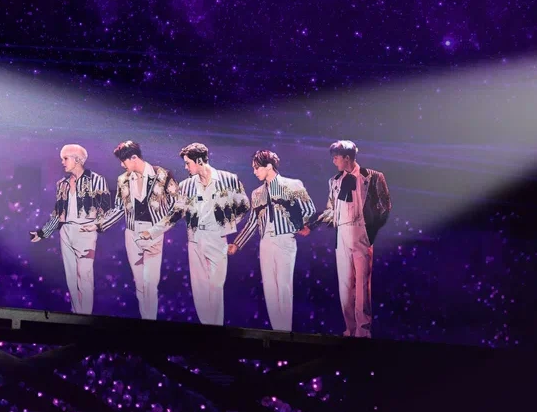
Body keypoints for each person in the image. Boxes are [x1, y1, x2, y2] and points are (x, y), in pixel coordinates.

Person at [138, 143, 250, 326]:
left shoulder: (229, 179)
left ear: (199, 161)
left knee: (216, 288)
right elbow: (174, 214)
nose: (185, 167)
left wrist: (227, 224)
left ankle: (216, 331)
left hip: (217, 239)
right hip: (195, 240)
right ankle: (206, 330)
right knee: (199, 290)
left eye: (187, 163)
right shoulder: (186, 185)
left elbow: (244, 206)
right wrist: (152, 232)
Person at [84, 140, 179, 321]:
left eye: (123, 160)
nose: (122, 165)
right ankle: (146, 321)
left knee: (150, 284)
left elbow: (178, 206)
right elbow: (119, 209)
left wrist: (157, 230)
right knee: (140, 285)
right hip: (132, 234)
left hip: (153, 234)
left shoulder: (163, 175)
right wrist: (97, 225)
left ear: (134, 157)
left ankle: (150, 323)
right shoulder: (123, 179)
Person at [228, 150, 316, 332]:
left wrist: (299, 226)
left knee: (283, 287)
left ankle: (285, 332)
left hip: (284, 240)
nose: (254, 172)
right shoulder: (257, 193)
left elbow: (309, 209)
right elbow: (252, 223)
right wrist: (237, 244)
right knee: (270, 289)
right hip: (265, 242)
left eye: (257, 168)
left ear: (269, 166)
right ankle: (278, 332)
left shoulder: (292, 185)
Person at [312, 140, 391, 338]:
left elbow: (385, 207)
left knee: (362, 285)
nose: (334, 161)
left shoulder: (372, 177)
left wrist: (370, 231)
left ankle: (363, 332)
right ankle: (350, 329)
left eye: (336, 157)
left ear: (347, 157)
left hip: (361, 233)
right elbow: (331, 210)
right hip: (342, 235)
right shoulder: (334, 181)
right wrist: (312, 224)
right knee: (345, 286)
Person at [30, 144, 111, 315]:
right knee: (71, 278)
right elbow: (57, 213)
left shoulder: (96, 180)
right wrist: (43, 233)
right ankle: (76, 313)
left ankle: (85, 317)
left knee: (85, 276)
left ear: (77, 160)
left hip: (85, 232)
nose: (62, 162)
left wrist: (96, 225)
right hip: (66, 232)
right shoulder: (62, 184)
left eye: (65, 158)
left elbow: (106, 209)